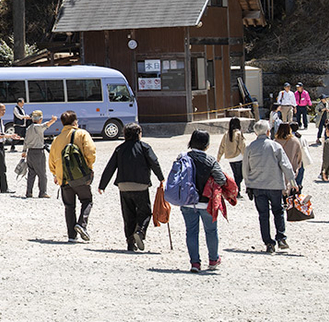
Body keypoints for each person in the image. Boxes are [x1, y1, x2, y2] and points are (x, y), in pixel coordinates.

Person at [97, 123, 165, 252]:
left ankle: (130, 243)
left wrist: (102, 185)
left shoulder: (120, 148)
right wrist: (161, 177)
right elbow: (154, 162)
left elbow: (110, 167)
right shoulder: (145, 147)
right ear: (138, 134)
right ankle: (140, 231)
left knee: (128, 215)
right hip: (141, 186)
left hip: (123, 186)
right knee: (145, 212)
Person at [176, 129, 227, 272]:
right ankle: (213, 260)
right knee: (211, 231)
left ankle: (195, 263)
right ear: (207, 144)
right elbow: (221, 179)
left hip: (187, 201)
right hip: (206, 202)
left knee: (191, 232)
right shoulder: (210, 160)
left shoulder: (183, 157)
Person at [244, 119, 298, 253]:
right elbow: (286, 165)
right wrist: (292, 182)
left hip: (257, 186)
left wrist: (248, 184)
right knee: (278, 211)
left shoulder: (250, 147)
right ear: (268, 131)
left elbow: (245, 168)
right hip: (275, 185)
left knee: (263, 215)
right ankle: (281, 237)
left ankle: (268, 243)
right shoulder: (275, 146)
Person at [48, 110, 97, 242]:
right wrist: (89, 166)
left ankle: (71, 236)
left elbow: (51, 161)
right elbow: (91, 152)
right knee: (87, 200)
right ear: (75, 121)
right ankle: (81, 224)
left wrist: (56, 174)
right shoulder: (82, 134)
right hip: (80, 176)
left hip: (63, 178)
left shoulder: (57, 139)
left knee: (69, 206)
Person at [22, 110, 56, 198]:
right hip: (38, 152)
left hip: (30, 152)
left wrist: (24, 151)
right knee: (42, 174)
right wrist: (53, 120)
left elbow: (25, 141)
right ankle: (43, 192)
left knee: (31, 173)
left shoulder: (28, 128)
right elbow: (46, 125)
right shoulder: (38, 127)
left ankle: (29, 192)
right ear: (40, 119)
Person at [216, 118, 246, 193]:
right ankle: (236, 189)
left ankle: (236, 190)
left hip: (230, 158)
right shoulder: (238, 133)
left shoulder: (226, 134)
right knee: (240, 175)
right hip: (238, 157)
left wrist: (219, 156)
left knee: (236, 174)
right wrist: (246, 156)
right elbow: (242, 146)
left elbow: (222, 146)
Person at [276, 124, 304, 189]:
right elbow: (299, 156)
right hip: (292, 168)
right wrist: (298, 166)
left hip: (278, 170)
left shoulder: (274, 142)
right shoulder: (295, 141)